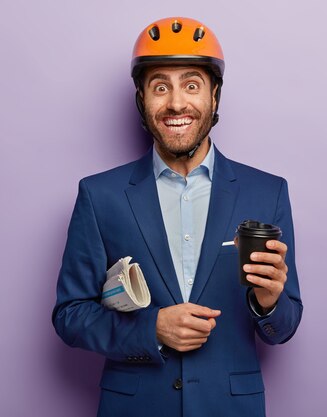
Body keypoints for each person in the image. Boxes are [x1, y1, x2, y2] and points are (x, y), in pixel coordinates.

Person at [52, 17, 303, 417]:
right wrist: (150, 329)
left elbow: (283, 328)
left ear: (214, 96)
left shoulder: (267, 192)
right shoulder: (100, 196)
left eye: (191, 85)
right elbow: (70, 316)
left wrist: (269, 302)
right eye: (160, 87)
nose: (176, 103)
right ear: (141, 99)